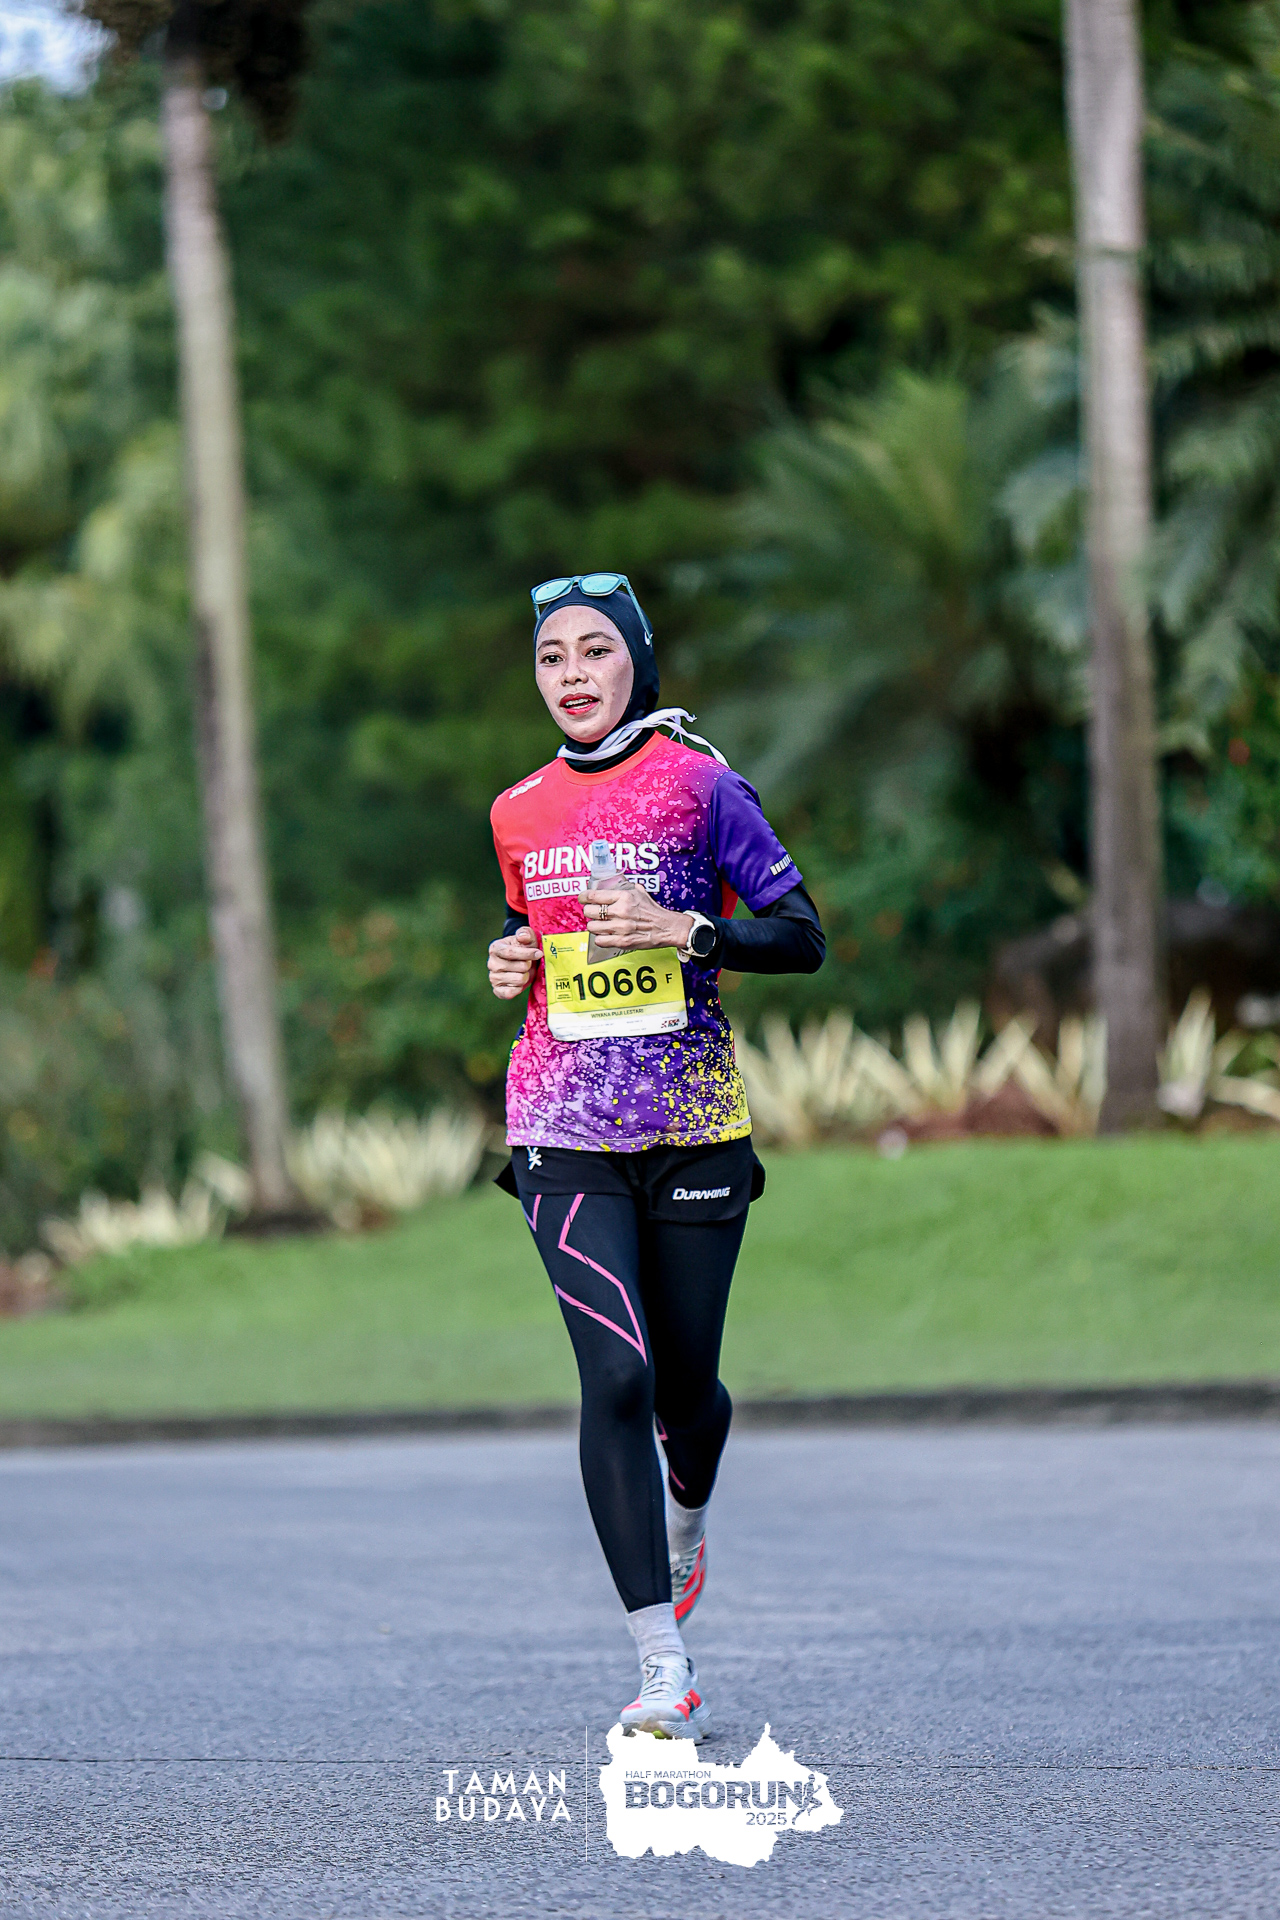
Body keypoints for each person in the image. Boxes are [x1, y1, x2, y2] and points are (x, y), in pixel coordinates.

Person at [488, 572, 823, 1740]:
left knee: (684, 1391)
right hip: (559, 1125)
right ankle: (658, 1662)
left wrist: (689, 930)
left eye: (594, 650)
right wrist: (510, 959)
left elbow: (801, 938)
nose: (571, 673)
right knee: (617, 1380)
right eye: (550, 657)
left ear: (634, 659)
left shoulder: (700, 786)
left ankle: (687, 1509)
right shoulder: (516, 810)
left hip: (691, 1125)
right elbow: (534, 933)